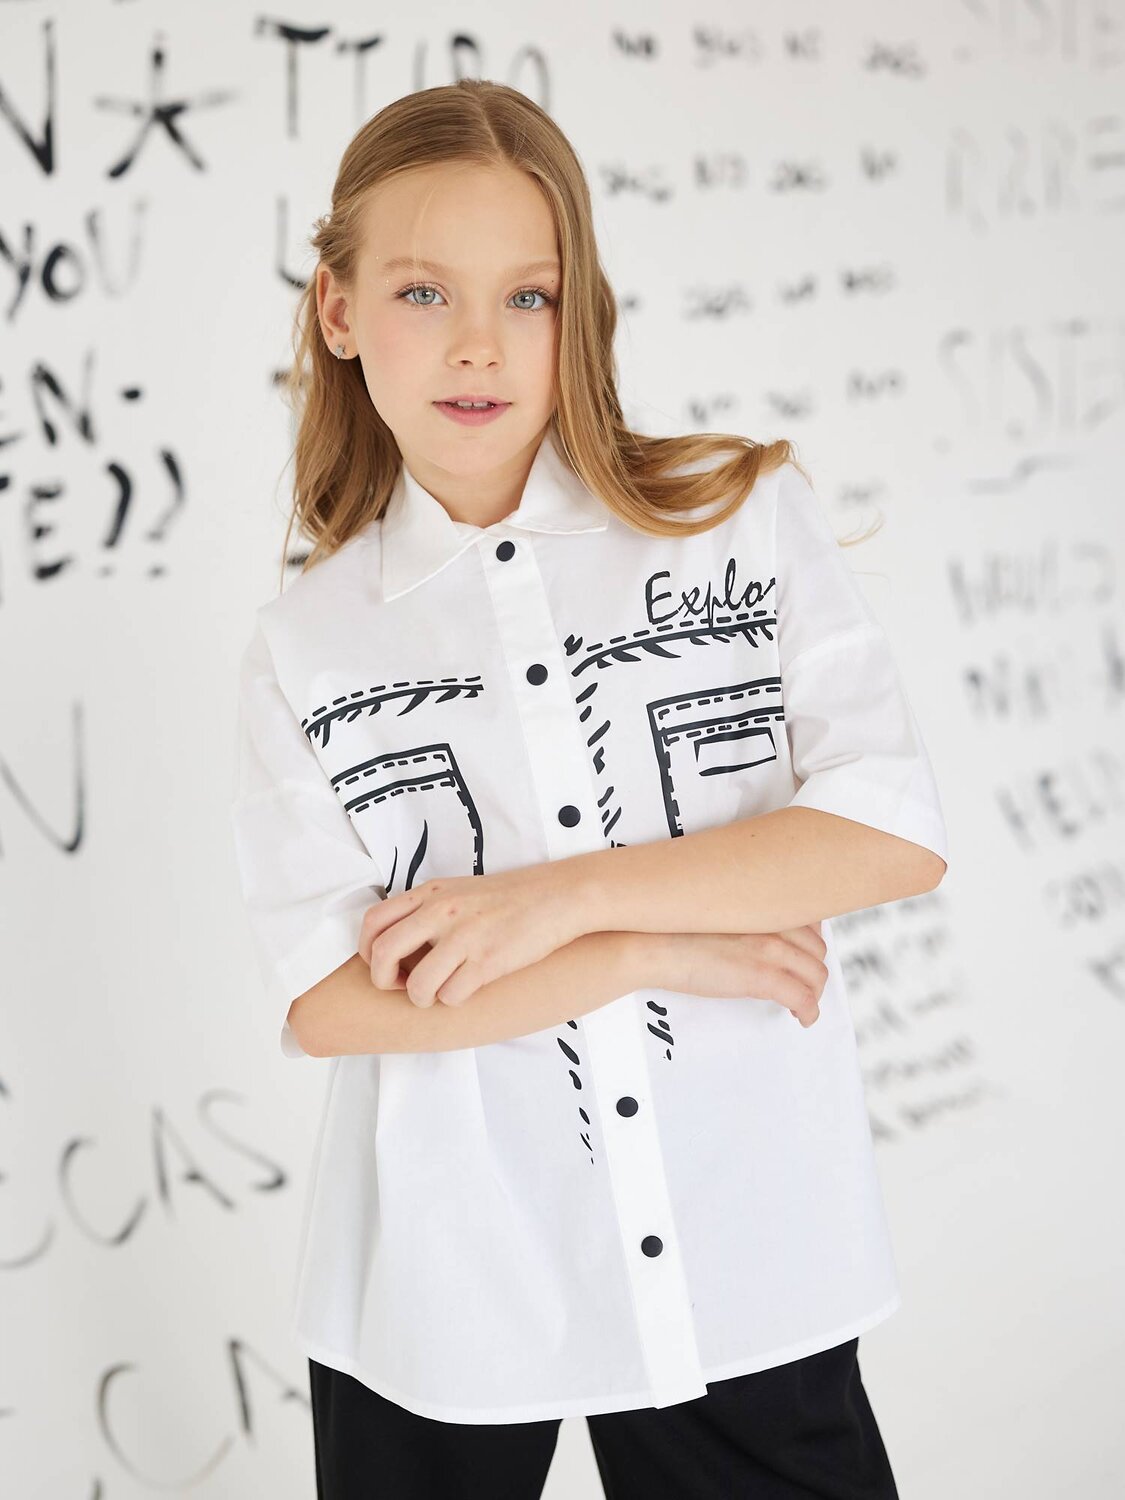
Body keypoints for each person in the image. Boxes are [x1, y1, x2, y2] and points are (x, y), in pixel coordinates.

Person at [229, 79, 949, 1499]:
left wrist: (556, 903)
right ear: (338, 309)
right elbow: (327, 1001)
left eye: (530, 295)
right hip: (445, 1274)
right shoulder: (306, 645)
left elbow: (887, 831)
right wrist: (643, 951)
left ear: (582, 311)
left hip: (745, 1244)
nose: (479, 343)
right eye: (423, 292)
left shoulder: (734, 517)